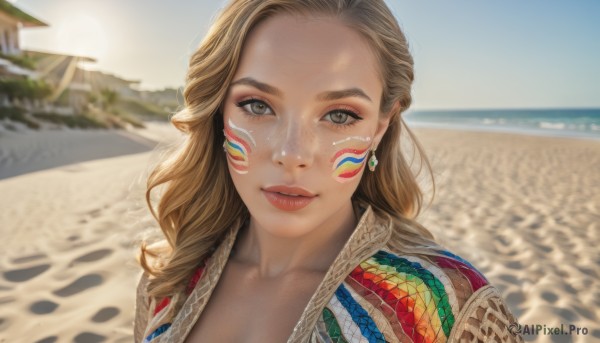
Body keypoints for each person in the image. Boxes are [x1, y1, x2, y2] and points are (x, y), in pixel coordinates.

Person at [134, 0, 523, 342]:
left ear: (380, 127)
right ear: (219, 112)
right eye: (256, 105)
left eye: (340, 115)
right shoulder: (168, 278)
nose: (292, 154)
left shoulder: (443, 305)